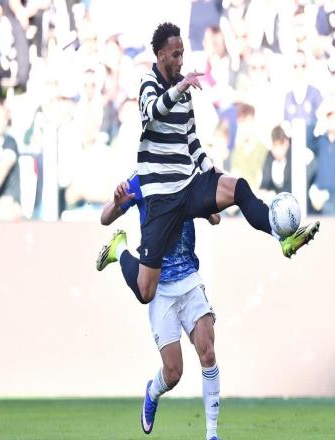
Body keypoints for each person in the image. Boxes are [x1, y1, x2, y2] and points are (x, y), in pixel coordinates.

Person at [99, 22, 320, 306]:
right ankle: (119, 249)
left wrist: (210, 170)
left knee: (238, 187)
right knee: (146, 292)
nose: (181, 60)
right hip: (161, 197)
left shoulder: (183, 90)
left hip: (187, 185)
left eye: (182, 53)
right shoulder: (148, 83)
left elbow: (191, 139)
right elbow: (153, 111)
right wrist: (180, 87)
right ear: (160, 55)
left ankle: (282, 237)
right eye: (175, 54)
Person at [97, 173, 221, 440]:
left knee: (208, 352)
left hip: (189, 279)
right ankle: (153, 392)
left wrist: (207, 202)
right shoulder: (142, 178)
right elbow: (104, 217)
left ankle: (211, 434)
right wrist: (117, 203)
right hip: (159, 286)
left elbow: (216, 217)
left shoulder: (189, 174)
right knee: (174, 373)